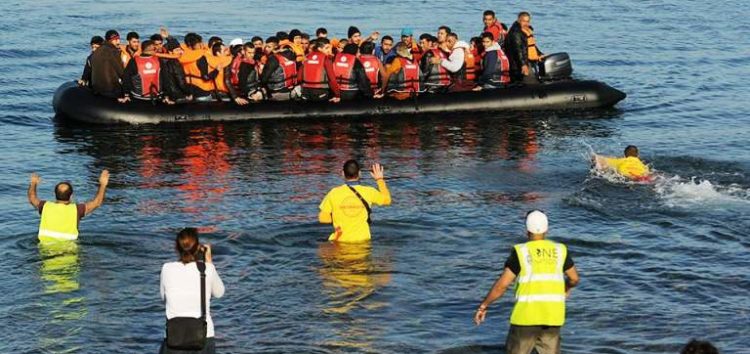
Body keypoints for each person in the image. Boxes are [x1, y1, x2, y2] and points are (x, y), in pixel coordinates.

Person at [474, 210, 579, 354]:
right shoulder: (560, 250)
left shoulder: (521, 252)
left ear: (527, 230)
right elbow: (574, 278)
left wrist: (483, 306)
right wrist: (566, 288)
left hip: (526, 317)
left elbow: (502, 285)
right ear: (546, 230)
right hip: (553, 317)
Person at [159, 228, 225, 354]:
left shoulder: (166, 268)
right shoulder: (207, 269)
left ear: (176, 248)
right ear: (197, 248)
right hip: (203, 337)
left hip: (173, 337)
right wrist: (209, 261)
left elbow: (163, 297)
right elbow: (219, 292)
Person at [318, 161, 391, 243]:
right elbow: (387, 200)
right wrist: (379, 180)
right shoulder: (369, 191)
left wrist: (339, 214)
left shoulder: (334, 193)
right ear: (360, 174)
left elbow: (323, 219)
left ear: (342, 174)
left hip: (340, 242)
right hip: (363, 241)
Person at [27, 170, 109, 243]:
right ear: (71, 196)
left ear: (55, 194)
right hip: (69, 253)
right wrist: (103, 184)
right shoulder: (77, 209)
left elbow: (32, 198)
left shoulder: (45, 206)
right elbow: (97, 202)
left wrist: (33, 183)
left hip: (45, 251)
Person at [506, 11, 544, 84]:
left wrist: (540, 54)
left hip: (526, 61)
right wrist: (523, 65)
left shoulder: (525, 31)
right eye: (523, 21)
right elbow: (517, 50)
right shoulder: (516, 33)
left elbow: (530, 46)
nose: (526, 24)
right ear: (518, 20)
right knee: (532, 83)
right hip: (518, 64)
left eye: (527, 21)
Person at [298, 38, 341, 102]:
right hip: (320, 93)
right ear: (319, 49)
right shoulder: (326, 58)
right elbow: (332, 79)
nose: (329, 50)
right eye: (326, 48)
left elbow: (299, 78)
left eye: (329, 48)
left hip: (305, 92)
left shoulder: (306, 57)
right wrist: (337, 95)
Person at [90, 30, 125, 98]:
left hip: (96, 89)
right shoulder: (113, 51)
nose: (118, 42)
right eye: (115, 40)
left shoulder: (96, 52)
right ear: (110, 40)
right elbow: (121, 72)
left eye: (118, 39)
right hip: (110, 90)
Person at [179, 33, 216, 98]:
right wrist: (216, 71)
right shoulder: (201, 57)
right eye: (200, 43)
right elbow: (205, 78)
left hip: (187, 88)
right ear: (193, 45)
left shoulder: (181, 56)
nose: (202, 45)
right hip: (202, 90)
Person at [160, 40, 194, 104]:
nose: (180, 52)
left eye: (180, 49)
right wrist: (189, 92)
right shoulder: (175, 63)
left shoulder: (163, 62)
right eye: (177, 50)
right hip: (178, 95)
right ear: (170, 52)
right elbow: (181, 82)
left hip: (169, 94)